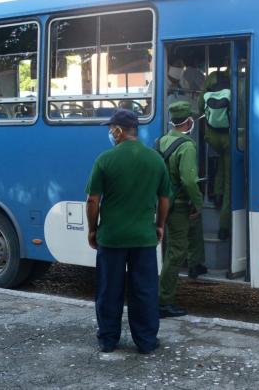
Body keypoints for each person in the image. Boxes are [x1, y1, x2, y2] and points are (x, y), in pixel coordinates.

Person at [85, 109, 170, 354]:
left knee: (109, 290)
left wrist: (93, 230)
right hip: (144, 238)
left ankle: (108, 341)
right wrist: (160, 225)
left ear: (119, 131)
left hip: (111, 238)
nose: (110, 133)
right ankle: (145, 341)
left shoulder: (105, 159)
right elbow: (164, 199)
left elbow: (93, 200)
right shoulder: (155, 160)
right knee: (144, 291)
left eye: (111, 129)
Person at [158, 102, 206, 318]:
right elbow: (188, 180)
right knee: (175, 253)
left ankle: (197, 263)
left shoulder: (161, 141)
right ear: (188, 121)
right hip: (178, 207)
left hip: (163, 204)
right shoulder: (187, 146)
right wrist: (198, 202)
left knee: (173, 247)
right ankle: (163, 301)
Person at [199, 60, 231, 240]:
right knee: (229, 178)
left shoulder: (212, 78)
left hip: (211, 136)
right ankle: (224, 226)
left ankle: (216, 193)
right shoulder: (236, 79)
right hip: (228, 136)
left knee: (221, 163)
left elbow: (199, 106)